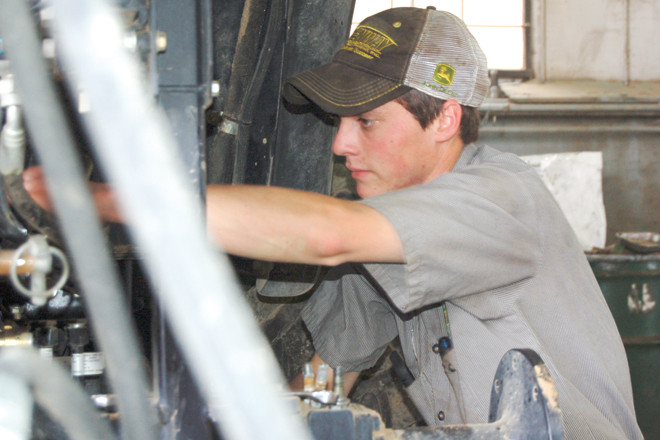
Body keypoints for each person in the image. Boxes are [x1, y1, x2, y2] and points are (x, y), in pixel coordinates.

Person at [23, 7, 642, 439]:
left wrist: (105, 197)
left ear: (446, 120)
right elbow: (327, 377)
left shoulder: (503, 199)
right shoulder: (392, 232)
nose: (341, 143)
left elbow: (325, 235)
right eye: (337, 121)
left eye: (366, 123)